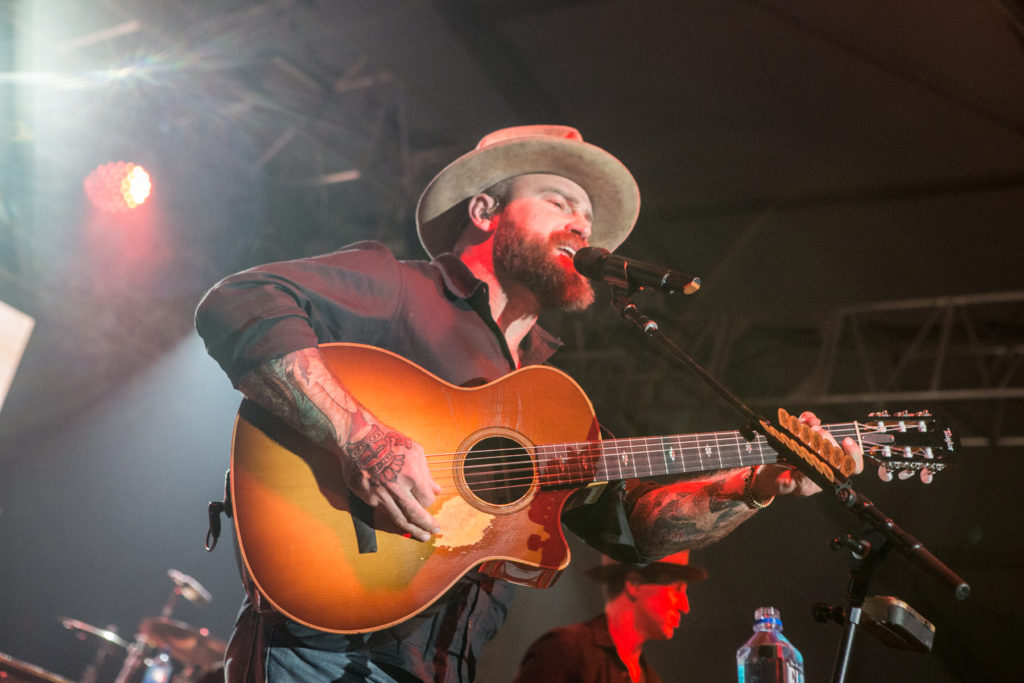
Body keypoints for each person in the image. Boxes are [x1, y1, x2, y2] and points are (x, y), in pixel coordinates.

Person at [194, 124, 862, 682]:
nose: (582, 224)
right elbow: (239, 304)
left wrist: (761, 479)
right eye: (558, 200)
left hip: (440, 668)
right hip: (314, 649)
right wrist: (361, 437)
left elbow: (638, 528)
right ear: (485, 213)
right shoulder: (403, 291)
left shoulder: (552, 392)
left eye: (589, 216)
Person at [512, 550, 707, 683]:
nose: (685, 606)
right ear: (634, 584)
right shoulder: (566, 649)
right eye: (676, 589)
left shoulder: (649, 678)